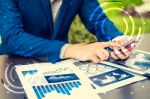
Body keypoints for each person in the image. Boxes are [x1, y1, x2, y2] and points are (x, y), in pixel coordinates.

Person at [0, 0, 132, 63]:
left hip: (61, 65)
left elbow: (97, 20)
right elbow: (12, 38)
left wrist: (117, 39)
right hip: (17, 64)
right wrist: (70, 50)